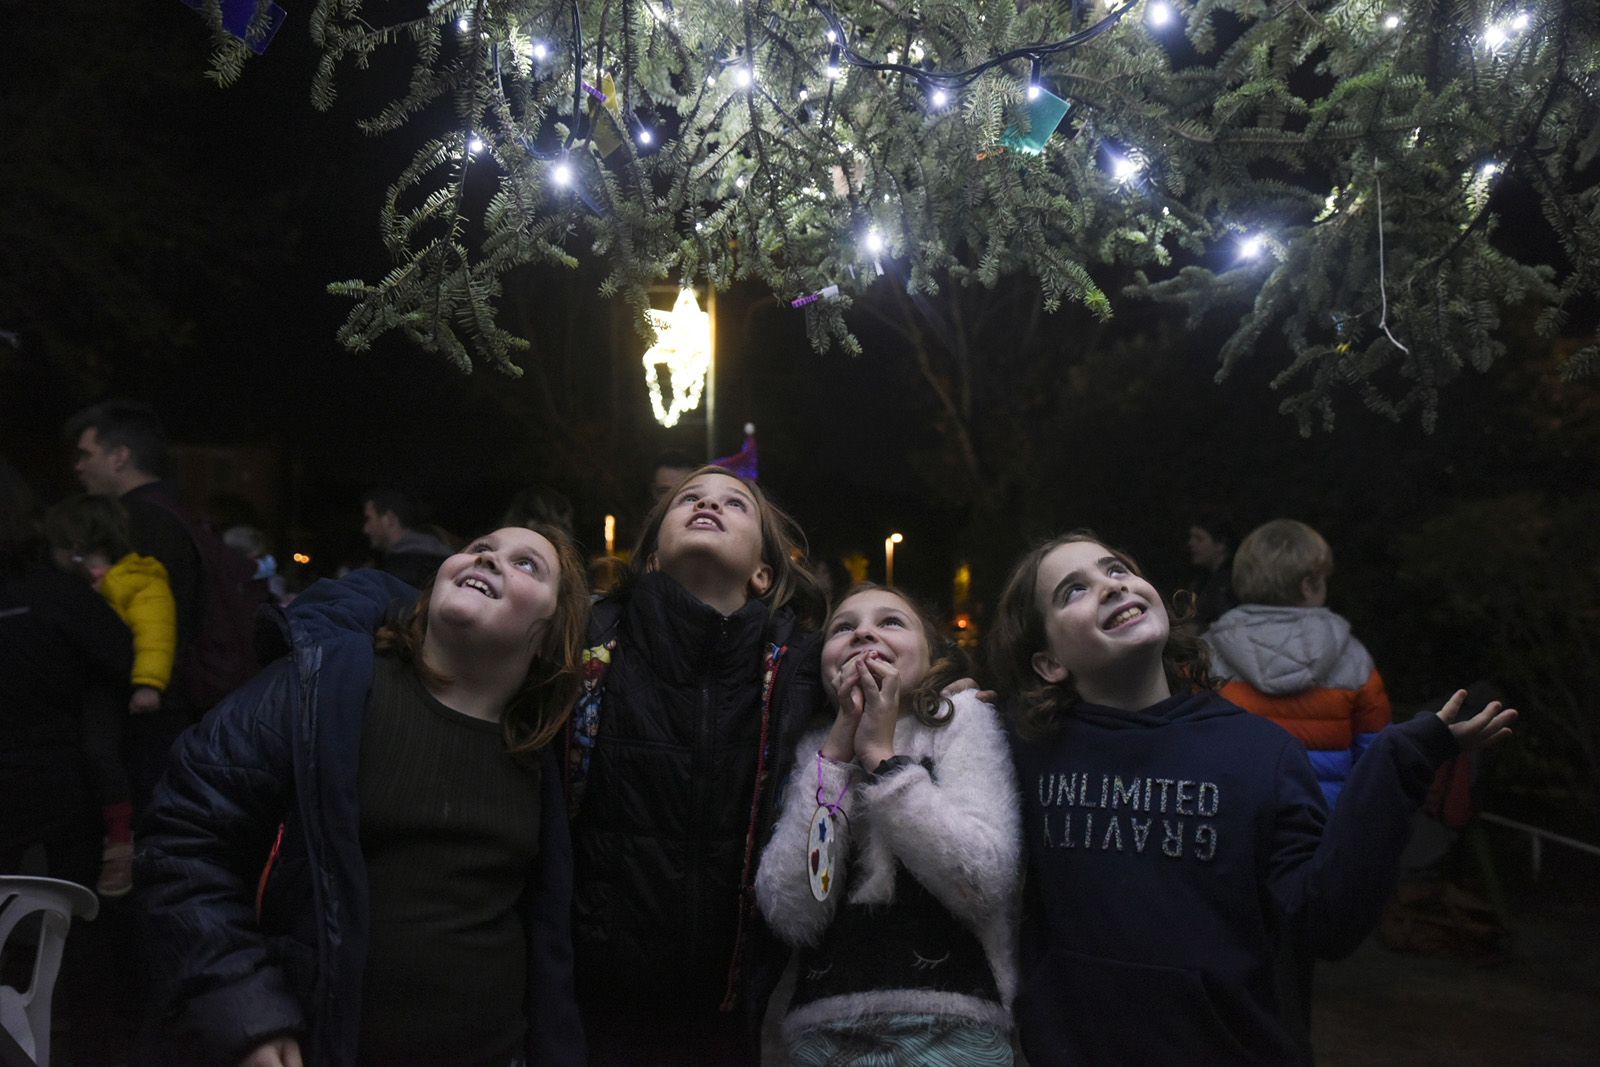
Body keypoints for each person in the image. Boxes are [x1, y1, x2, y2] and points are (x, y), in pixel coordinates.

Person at [988, 532, 1516, 1065]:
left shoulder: (1261, 753)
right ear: (1048, 663)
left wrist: (1397, 764)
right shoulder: (1022, 752)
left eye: (1117, 570)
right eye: (1073, 591)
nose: (1109, 586)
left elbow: (1323, 924)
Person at [136, 525, 590, 1067]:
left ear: (550, 636)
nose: (489, 559)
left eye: (527, 565)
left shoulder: (545, 751)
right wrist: (243, 1005)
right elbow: (183, 840)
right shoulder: (320, 689)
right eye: (479, 549)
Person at [568, 465, 825, 1065]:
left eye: (735, 504)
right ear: (653, 558)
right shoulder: (589, 640)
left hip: (727, 1012)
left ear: (763, 572)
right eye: (689, 499)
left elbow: (902, 654)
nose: (708, 505)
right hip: (596, 1002)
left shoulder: (796, 667)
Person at [755, 585, 1020, 1065]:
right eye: (843, 628)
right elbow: (792, 913)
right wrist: (832, 762)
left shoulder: (960, 719)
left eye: (891, 622)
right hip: (825, 1034)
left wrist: (882, 759)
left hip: (956, 1027)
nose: (864, 634)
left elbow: (982, 879)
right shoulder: (814, 747)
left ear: (934, 655)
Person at [0, 462, 132, 887]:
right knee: (69, 916)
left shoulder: (49, 595)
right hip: (59, 781)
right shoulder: (58, 595)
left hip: (49, 776)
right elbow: (121, 659)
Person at [1205, 519, 1392, 809]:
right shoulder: (1354, 659)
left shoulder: (1207, 653)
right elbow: (1377, 754)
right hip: (1323, 823)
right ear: (1308, 586)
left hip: (1233, 820)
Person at [43, 494, 177, 898]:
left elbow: (156, 633)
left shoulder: (139, 579)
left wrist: (148, 683)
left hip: (114, 689)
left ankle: (120, 840)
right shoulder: (85, 585)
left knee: (100, 752)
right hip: (90, 686)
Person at [360, 487, 453, 588]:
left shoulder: (401, 569)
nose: (366, 529)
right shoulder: (439, 555)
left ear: (389, 519)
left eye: (369, 519)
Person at [1186, 514, 1238, 628]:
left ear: (1221, 544)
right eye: (1191, 538)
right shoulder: (1203, 581)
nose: (1191, 544)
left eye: (1199, 539)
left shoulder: (1230, 584)